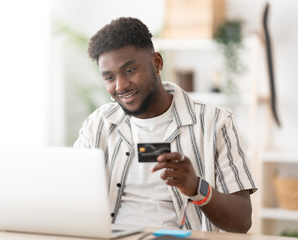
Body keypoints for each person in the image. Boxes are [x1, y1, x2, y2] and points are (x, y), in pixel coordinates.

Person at [73, 17, 256, 233]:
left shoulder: (216, 122)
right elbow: (71, 195)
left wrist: (196, 187)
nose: (120, 85)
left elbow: (242, 221)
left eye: (130, 70)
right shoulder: (97, 124)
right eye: (109, 77)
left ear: (157, 63)